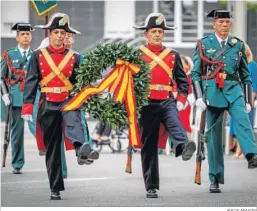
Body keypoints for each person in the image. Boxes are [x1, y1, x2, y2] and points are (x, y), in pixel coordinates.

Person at [21, 13, 99, 200]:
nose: (59, 36)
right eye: (56, 32)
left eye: (62, 33)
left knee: (73, 120)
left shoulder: (76, 57)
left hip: (67, 100)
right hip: (47, 103)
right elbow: (31, 82)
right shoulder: (37, 56)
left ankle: (82, 149)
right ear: (49, 34)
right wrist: (26, 107)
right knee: (53, 148)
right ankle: (55, 187)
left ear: (66, 35)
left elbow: (82, 82)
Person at [191, 9, 257, 194]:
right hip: (213, 93)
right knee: (213, 139)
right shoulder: (204, 44)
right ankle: (215, 178)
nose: (225, 25)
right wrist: (198, 97)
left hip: (234, 89)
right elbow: (196, 73)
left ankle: (252, 155)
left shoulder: (238, 45)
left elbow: (245, 74)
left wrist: (247, 98)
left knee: (243, 120)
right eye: (221, 22)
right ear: (214, 24)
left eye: (227, 22)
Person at [134, 13, 196, 198]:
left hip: (167, 99)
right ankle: (151, 186)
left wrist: (182, 100)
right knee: (149, 145)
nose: (157, 35)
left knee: (175, 123)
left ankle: (183, 146)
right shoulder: (136, 54)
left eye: (160, 31)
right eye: (154, 31)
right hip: (145, 103)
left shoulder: (173, 55)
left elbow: (182, 81)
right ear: (146, 34)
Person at [0, 23, 34, 174]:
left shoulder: (36, 55)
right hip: (16, 98)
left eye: (28, 34)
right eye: (23, 34)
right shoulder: (9, 54)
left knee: (41, 128)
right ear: (17, 37)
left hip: (34, 97)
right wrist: (5, 94)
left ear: (31, 37)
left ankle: (48, 155)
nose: (26, 36)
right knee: (17, 133)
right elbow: (1, 77)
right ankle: (17, 163)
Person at [231, 43, 257, 159]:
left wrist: (249, 102)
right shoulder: (238, 65)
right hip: (236, 98)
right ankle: (238, 149)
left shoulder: (252, 65)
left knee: (246, 126)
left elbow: (254, 86)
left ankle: (244, 151)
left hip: (247, 100)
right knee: (236, 126)